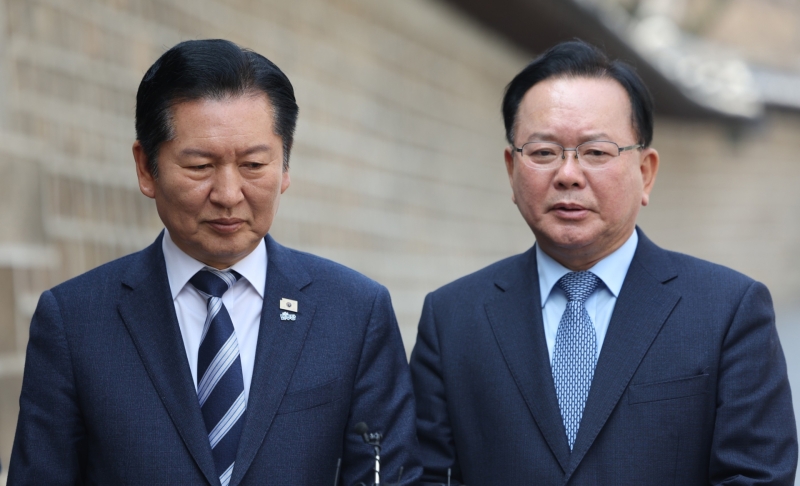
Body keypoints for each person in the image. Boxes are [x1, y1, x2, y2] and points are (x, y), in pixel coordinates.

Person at [9, 39, 420, 486]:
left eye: (253, 164)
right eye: (200, 166)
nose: (227, 194)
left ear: (285, 166)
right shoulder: (75, 320)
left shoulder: (355, 312)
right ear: (146, 168)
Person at [410, 40, 797, 485]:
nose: (568, 174)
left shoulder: (728, 311)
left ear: (645, 173)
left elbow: (756, 476)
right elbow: (424, 475)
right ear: (511, 171)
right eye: (543, 152)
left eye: (596, 152)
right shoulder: (452, 317)